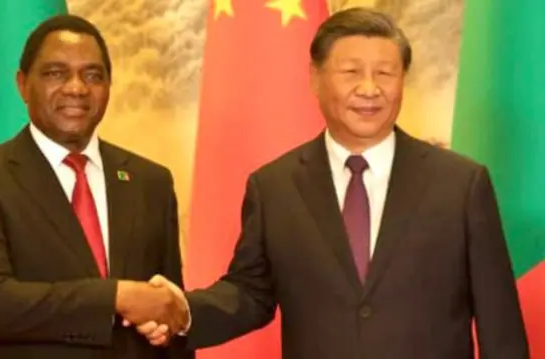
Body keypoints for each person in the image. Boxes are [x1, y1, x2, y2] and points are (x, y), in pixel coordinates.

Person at [133, 7, 529, 359]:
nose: (370, 89)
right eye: (352, 72)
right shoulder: (275, 187)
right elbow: (249, 294)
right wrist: (183, 311)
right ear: (316, 78)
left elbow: (500, 325)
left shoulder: (460, 184)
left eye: (385, 73)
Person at [0, 14, 193, 359]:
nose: (77, 87)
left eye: (93, 75)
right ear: (22, 84)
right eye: (56, 73)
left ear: (108, 87)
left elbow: (167, 310)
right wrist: (117, 298)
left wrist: (168, 327)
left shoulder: (152, 182)